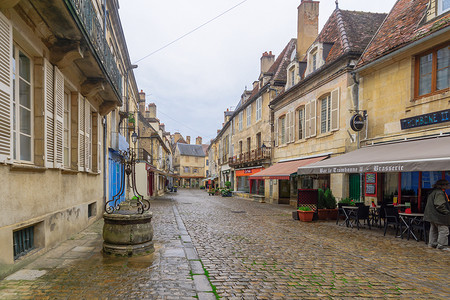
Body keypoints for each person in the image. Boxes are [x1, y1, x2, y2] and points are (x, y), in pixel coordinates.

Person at [423, 179, 450, 250]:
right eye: (447, 184)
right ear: (442, 185)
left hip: (431, 215)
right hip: (438, 216)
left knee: (433, 229)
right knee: (444, 230)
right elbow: (439, 205)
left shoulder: (433, 191)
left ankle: (432, 244)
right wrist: (447, 212)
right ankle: (441, 245)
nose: (448, 185)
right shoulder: (439, 193)